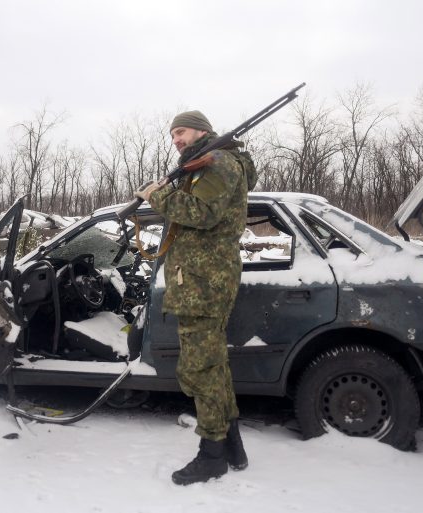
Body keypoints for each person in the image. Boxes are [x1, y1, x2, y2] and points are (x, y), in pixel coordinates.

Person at [135, 110, 257, 486]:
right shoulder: (202, 165)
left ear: (202, 131)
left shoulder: (217, 163)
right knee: (213, 366)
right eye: (172, 134)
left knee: (200, 370)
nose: (176, 139)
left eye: (182, 131)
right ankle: (232, 446)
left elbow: (201, 213)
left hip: (204, 283)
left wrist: (157, 195)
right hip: (201, 280)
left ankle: (212, 455)